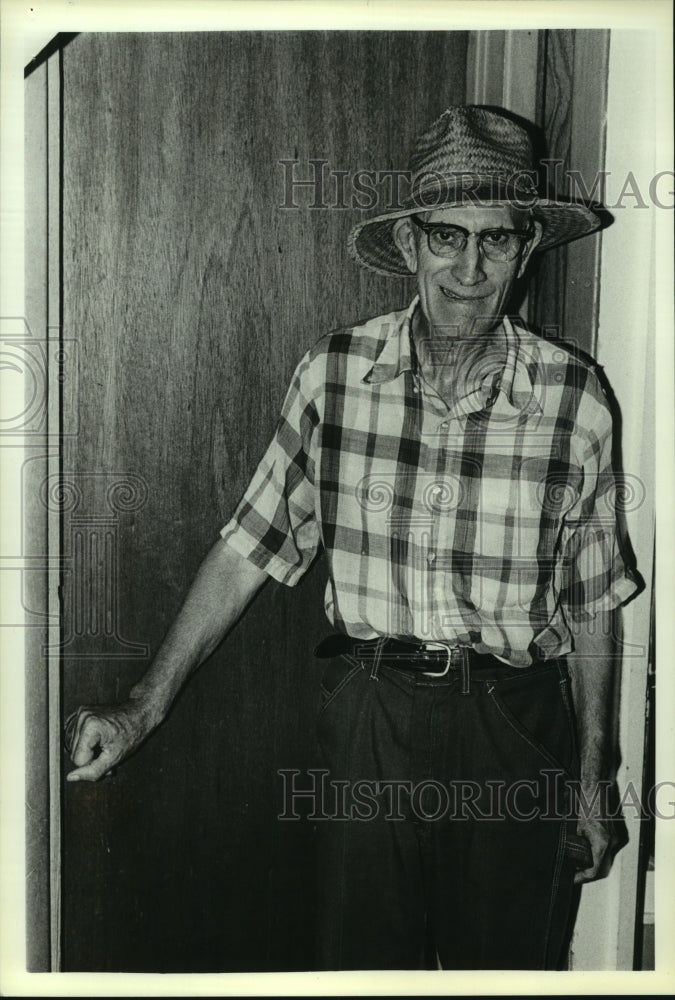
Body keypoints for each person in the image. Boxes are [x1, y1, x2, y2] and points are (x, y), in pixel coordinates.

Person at [65, 106, 639, 970]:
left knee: (510, 972)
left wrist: (596, 773)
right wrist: (144, 708)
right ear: (409, 243)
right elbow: (248, 547)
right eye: (447, 235)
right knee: (363, 969)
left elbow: (593, 603)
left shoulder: (575, 399)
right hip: (371, 717)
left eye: (495, 240)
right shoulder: (334, 374)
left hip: (515, 730)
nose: (469, 267)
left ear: (525, 250)